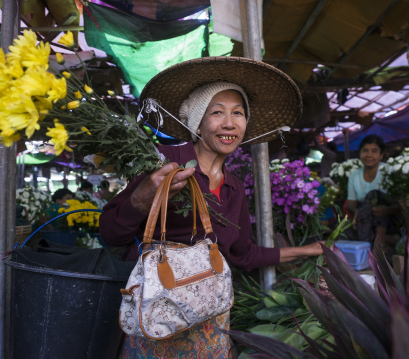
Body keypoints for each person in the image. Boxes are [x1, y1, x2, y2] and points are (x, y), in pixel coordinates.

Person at [99, 57, 323, 358]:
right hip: (158, 318)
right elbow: (111, 234)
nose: (229, 123)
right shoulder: (164, 163)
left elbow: (242, 255)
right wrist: (142, 197)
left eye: (238, 113)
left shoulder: (233, 187)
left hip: (209, 321)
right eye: (217, 113)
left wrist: (308, 250)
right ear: (198, 123)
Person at [346, 135, 402, 257]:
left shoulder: (389, 171)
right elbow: (351, 204)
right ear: (360, 153)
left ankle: (380, 241)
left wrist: (388, 210)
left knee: (374, 195)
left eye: (374, 151)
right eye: (365, 150)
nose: (369, 155)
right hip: (366, 220)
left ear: (382, 155)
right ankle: (386, 239)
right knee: (345, 229)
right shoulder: (354, 176)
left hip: (390, 220)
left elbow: (402, 205)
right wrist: (357, 212)